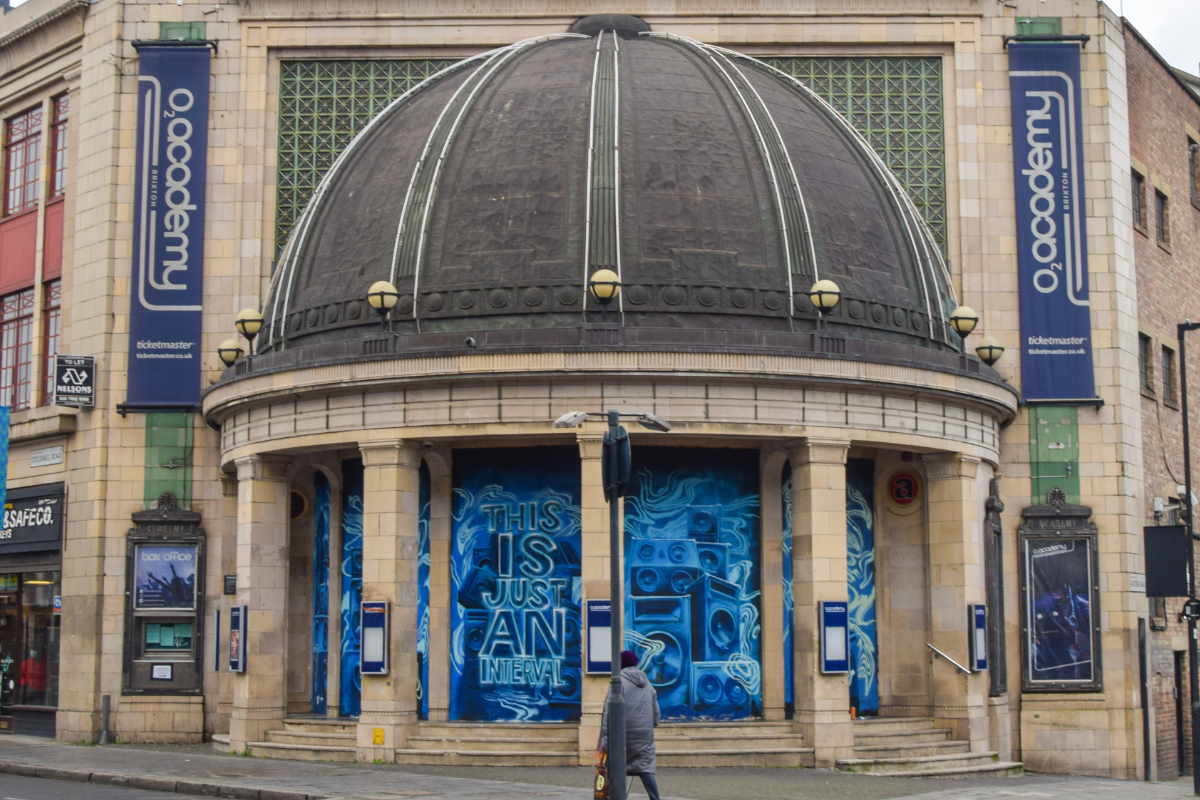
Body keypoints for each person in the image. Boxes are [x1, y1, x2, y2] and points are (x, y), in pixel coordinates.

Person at [600, 650, 661, 800]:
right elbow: (656, 713)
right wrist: (650, 724)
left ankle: (616, 796)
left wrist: (604, 741)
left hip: (623, 733)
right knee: (645, 768)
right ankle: (655, 798)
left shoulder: (618, 682)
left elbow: (608, 713)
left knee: (615, 766)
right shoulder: (647, 683)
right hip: (644, 734)